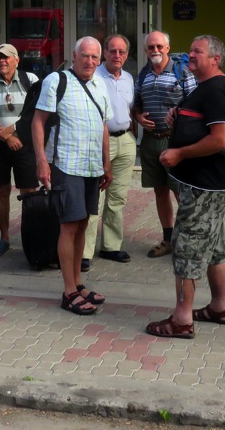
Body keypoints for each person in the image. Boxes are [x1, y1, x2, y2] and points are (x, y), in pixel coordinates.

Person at [146, 35, 225, 339]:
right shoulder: (204, 87)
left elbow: (221, 139)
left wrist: (180, 153)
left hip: (204, 186)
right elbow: (202, 124)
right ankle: (219, 307)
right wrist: (180, 117)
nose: (191, 55)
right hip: (208, 184)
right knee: (213, 247)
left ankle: (182, 320)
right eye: (190, 51)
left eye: (198, 51)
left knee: (187, 248)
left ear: (216, 59)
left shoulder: (216, 89)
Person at [32, 36, 112, 315]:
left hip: (92, 167)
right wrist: (41, 161)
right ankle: (68, 292)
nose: (90, 61)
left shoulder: (100, 84)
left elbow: (103, 125)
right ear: (74, 56)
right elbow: (38, 121)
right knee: (69, 226)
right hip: (66, 165)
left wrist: (107, 164)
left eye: (94, 57)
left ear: (100, 60)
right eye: (85, 56)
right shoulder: (57, 81)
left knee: (83, 224)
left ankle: (78, 284)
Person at [132, 30, 197, 259]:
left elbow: (195, 104)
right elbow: (136, 104)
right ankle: (168, 239)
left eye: (159, 46)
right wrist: (138, 118)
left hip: (175, 142)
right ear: (145, 50)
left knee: (181, 192)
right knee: (160, 191)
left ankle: (188, 241)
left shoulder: (183, 72)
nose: (155, 50)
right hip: (150, 141)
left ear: (168, 48)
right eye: (151, 47)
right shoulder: (143, 74)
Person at [0, 42, 40, 257]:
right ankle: (4, 238)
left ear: (16, 60)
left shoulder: (31, 80)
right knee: (2, 191)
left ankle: (31, 237)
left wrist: (13, 132)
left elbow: (36, 113)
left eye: (6, 57)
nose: (1, 61)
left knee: (29, 192)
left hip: (25, 143)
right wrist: (4, 136)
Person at [83, 34, 136, 271]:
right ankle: (84, 251)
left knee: (117, 198)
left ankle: (111, 246)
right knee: (93, 197)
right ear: (104, 53)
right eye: (112, 51)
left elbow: (130, 107)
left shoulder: (128, 78)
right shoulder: (94, 76)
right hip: (98, 142)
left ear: (127, 54)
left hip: (125, 141)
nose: (117, 55)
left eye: (121, 51)